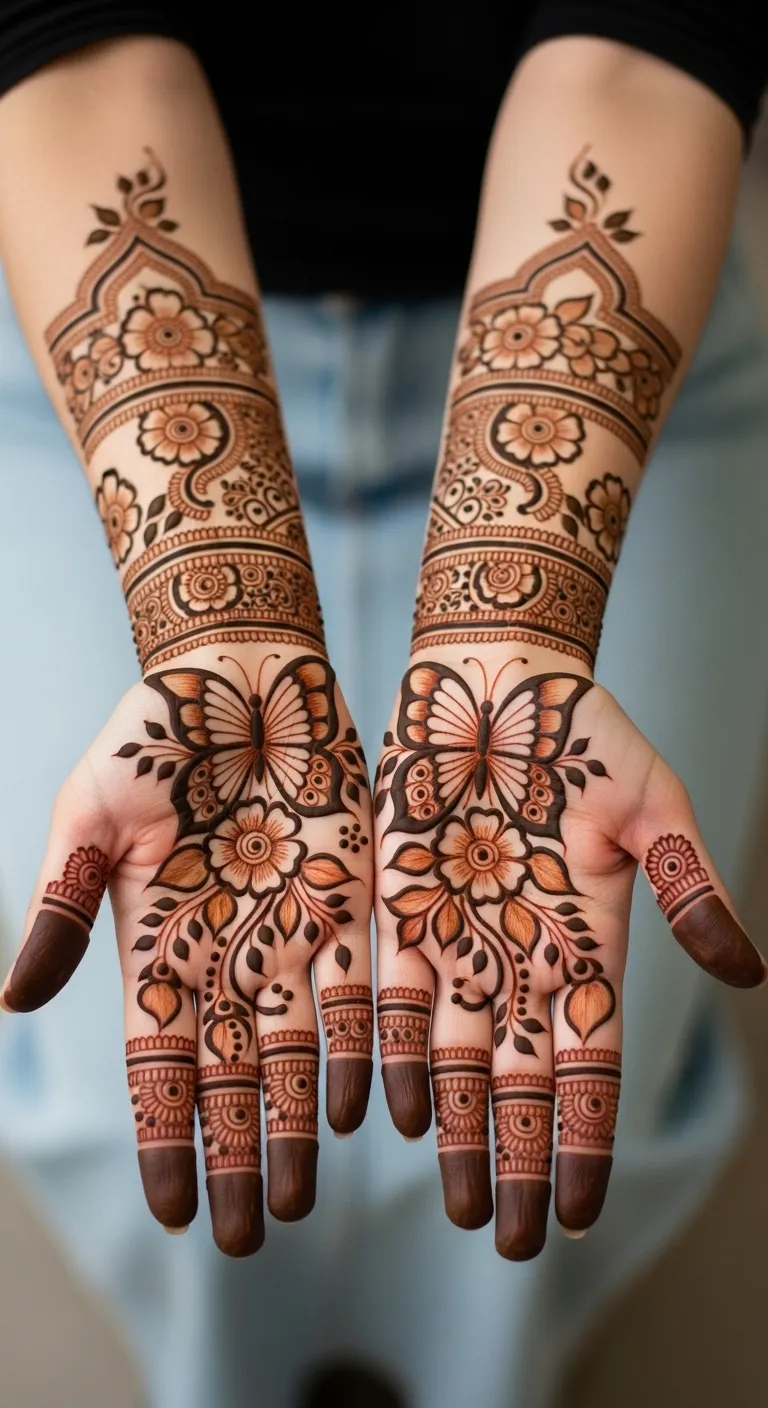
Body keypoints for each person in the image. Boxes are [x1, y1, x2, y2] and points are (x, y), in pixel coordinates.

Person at [0, 7, 767, 1407]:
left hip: (625, 313)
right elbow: (76, 44)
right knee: (162, 1095)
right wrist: (217, 611)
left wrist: (515, 607)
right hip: (91, 332)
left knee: (536, 1111)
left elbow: (643, 43)